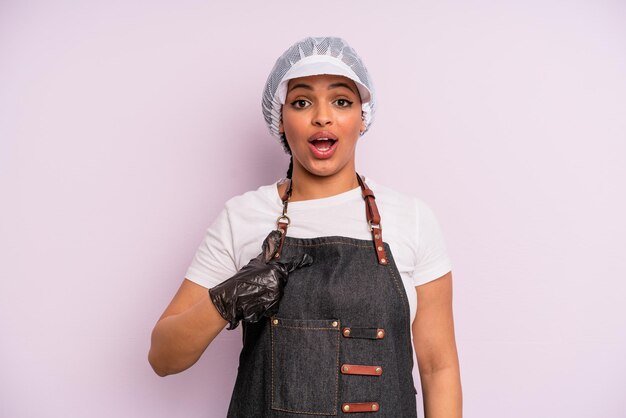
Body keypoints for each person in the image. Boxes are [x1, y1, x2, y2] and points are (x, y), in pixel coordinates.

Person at [149, 36, 462, 417]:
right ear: (280, 118)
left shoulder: (411, 218)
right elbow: (163, 358)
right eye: (301, 102)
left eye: (342, 101)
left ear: (362, 117)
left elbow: (438, 367)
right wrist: (227, 300)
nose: (322, 117)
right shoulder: (242, 216)